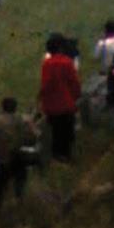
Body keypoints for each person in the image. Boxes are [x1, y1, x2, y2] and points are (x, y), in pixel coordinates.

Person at [0, 97, 38, 213]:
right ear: (15, 107)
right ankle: (20, 201)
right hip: (20, 156)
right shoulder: (21, 119)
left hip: (5, 159)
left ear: (2, 107)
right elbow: (34, 136)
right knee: (21, 179)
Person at [38, 34, 82, 162]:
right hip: (66, 103)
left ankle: (57, 155)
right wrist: (75, 96)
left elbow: (45, 84)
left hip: (51, 106)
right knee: (68, 131)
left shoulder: (46, 64)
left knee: (56, 132)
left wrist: (42, 99)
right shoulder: (67, 62)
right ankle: (66, 154)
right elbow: (74, 82)